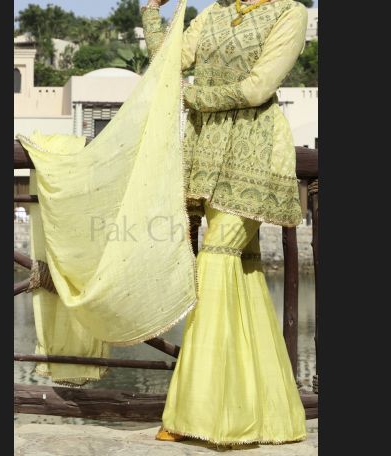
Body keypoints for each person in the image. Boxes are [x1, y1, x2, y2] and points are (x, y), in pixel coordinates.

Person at [141, 0, 309, 446]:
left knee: (215, 263)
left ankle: (199, 415)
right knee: (242, 273)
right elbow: (170, 62)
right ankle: (264, 413)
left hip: (253, 152)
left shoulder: (290, 12)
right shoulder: (214, 12)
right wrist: (152, 12)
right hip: (207, 150)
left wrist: (190, 97)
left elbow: (257, 89)